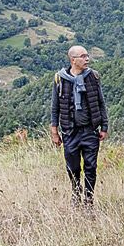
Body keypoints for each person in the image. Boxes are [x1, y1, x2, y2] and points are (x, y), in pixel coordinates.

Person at [49, 45, 108, 208]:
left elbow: (101, 103)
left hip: (90, 130)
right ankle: (76, 191)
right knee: (72, 166)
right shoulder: (60, 79)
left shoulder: (93, 77)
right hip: (70, 131)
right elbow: (55, 107)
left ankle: (89, 199)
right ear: (73, 60)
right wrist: (54, 131)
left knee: (91, 166)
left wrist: (104, 126)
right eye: (83, 56)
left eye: (87, 56)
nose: (87, 59)